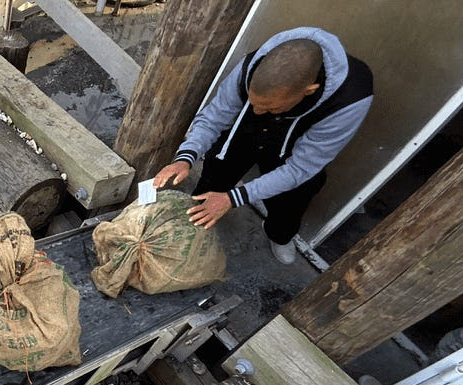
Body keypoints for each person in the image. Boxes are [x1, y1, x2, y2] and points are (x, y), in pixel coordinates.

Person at [153, 27, 373, 264]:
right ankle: (197, 223)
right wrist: (185, 157)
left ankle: (280, 235)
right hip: (245, 129)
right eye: (252, 101)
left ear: (309, 91)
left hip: (297, 145)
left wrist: (234, 198)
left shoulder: (351, 99)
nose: (258, 111)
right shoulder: (253, 65)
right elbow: (215, 116)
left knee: (293, 199)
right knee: (216, 171)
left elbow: (301, 167)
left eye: (268, 107)